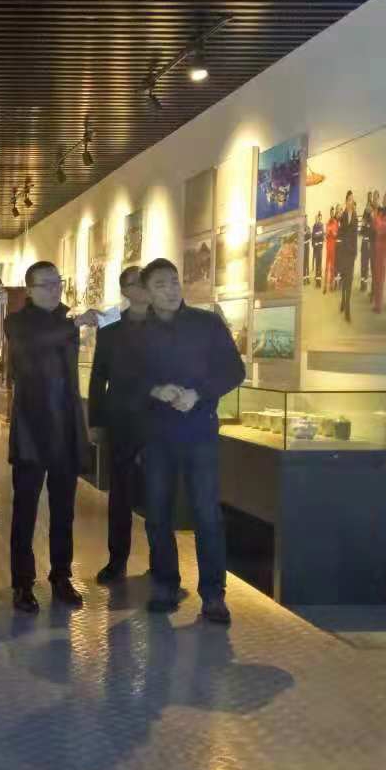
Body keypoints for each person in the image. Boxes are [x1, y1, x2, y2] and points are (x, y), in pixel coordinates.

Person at [135, 258, 245, 626]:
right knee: (157, 513)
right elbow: (126, 379)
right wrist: (156, 390)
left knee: (207, 514)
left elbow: (234, 370)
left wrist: (199, 394)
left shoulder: (206, 323)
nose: (170, 289)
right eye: (160, 284)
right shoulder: (139, 332)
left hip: (200, 431)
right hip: (157, 434)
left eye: (173, 281)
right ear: (147, 293)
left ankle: (214, 595)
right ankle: (165, 585)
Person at [3, 261, 92, 612]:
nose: (55, 289)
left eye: (58, 282)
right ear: (30, 290)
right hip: (32, 426)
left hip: (65, 426)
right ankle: (22, 582)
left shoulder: (65, 319)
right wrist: (73, 326)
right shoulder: (17, 322)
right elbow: (34, 347)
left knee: (64, 509)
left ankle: (61, 575)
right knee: (24, 509)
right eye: (47, 284)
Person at [88, 265, 153, 585]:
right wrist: (96, 421)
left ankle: (162, 562)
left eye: (145, 281)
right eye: (135, 283)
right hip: (122, 422)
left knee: (159, 493)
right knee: (120, 495)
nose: (142, 287)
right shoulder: (111, 330)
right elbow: (98, 377)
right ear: (125, 290)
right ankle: (117, 560)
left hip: (159, 422)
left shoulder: (167, 325)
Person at [336, 190, 359, 322]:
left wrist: (355, 252)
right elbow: (340, 234)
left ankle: (348, 309)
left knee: (349, 279)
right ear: (346, 202)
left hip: (351, 253)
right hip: (343, 252)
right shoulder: (343, 216)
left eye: (352, 199)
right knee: (344, 278)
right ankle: (343, 300)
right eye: (349, 199)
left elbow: (355, 235)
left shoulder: (355, 216)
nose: (351, 202)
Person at [372, 189, 386, 313]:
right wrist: (376, 216)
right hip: (377, 246)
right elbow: (376, 226)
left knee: (380, 277)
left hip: (383, 248)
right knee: (376, 275)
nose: (383, 200)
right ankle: (377, 303)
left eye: (385, 198)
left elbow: (381, 229)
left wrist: (375, 216)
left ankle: (379, 305)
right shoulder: (382, 212)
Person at [309, 212, 325, 290]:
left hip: (319, 248)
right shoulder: (314, 226)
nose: (316, 220)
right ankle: (317, 280)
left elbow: (321, 234)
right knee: (316, 264)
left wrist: (316, 235)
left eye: (317, 219)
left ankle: (319, 281)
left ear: (319, 219)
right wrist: (314, 243)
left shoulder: (321, 225)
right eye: (315, 219)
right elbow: (313, 236)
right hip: (315, 248)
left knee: (319, 264)